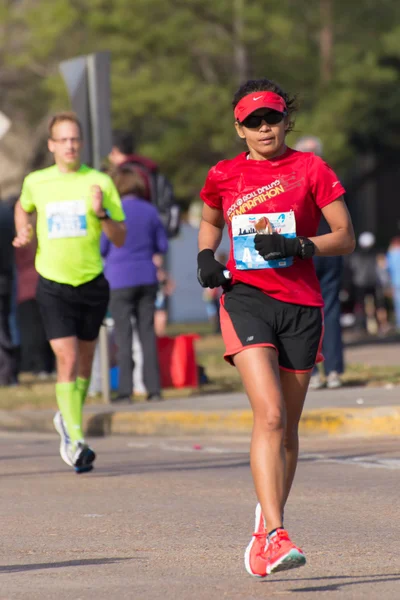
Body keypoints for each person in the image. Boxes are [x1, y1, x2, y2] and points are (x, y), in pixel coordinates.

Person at [197, 78, 355, 577]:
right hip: (246, 300)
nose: (265, 128)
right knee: (268, 416)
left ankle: (263, 524)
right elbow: (209, 219)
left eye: (272, 118)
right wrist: (205, 255)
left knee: (287, 427)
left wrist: (302, 246)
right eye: (253, 121)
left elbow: (345, 236)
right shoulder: (223, 174)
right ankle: (275, 535)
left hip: (303, 306)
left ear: (286, 120)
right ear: (239, 128)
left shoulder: (312, 168)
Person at [13, 111, 126, 472]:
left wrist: (102, 213)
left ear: (81, 143)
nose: (70, 145)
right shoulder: (37, 181)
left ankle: (67, 419)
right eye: (62, 139)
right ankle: (76, 439)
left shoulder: (99, 181)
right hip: (53, 283)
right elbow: (22, 205)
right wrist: (24, 230)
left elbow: (120, 238)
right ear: (51, 146)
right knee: (67, 357)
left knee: (85, 362)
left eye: (75, 138)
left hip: (91, 282)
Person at [101, 166, 168, 402]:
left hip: (119, 279)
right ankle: (154, 389)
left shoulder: (112, 211)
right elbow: (162, 245)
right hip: (146, 277)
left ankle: (125, 390)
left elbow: (103, 246)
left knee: (123, 335)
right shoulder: (150, 211)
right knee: (147, 333)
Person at [294, 137, 345, 390]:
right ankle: (334, 370)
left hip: (306, 250)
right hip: (331, 250)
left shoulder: (293, 179)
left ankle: (311, 371)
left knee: (305, 313)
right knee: (331, 311)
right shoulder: (331, 175)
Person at [108, 130, 180, 238]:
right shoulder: (151, 171)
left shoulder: (119, 176)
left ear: (115, 151)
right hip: (155, 237)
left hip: (127, 238)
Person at [0, 201, 16, 385]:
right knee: (5, 324)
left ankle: (5, 373)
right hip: (7, 276)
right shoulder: (6, 211)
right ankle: (9, 371)